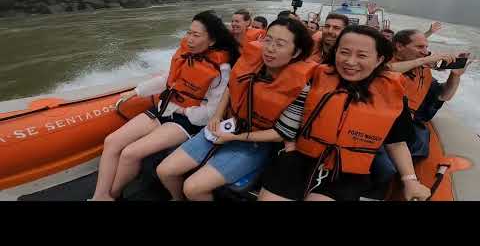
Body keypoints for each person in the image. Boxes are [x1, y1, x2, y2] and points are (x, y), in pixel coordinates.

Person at [258, 25, 431, 201]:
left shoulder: (391, 94)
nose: (350, 61)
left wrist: (410, 181)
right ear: (335, 52)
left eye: (362, 55)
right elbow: (289, 121)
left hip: (347, 172)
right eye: (344, 52)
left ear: (379, 60)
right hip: (300, 159)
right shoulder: (313, 78)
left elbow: (397, 143)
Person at [156, 18, 315, 201]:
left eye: (280, 44)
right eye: (268, 40)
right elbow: (232, 88)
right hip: (226, 125)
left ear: (296, 52)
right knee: (165, 171)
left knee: (193, 188)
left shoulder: (301, 86)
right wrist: (216, 116)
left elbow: (281, 133)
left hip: (255, 142)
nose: (270, 48)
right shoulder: (251, 63)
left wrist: (234, 137)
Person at [90, 11, 240, 201]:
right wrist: (136, 91)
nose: (190, 39)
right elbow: (167, 79)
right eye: (189, 33)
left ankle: (112, 195)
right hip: (164, 108)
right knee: (112, 141)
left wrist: (180, 110)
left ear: (211, 41)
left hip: (186, 119)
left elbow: (210, 114)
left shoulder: (221, 70)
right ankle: (100, 196)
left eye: (196, 35)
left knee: (130, 153)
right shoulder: (186, 53)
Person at [371, 29, 471, 184]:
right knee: (386, 168)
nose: (425, 52)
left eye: (426, 47)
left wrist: (455, 75)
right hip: (379, 127)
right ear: (399, 46)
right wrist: (424, 61)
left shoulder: (423, 71)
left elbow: (444, 95)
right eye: (420, 47)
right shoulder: (381, 61)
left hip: (405, 128)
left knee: (416, 151)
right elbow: (384, 71)